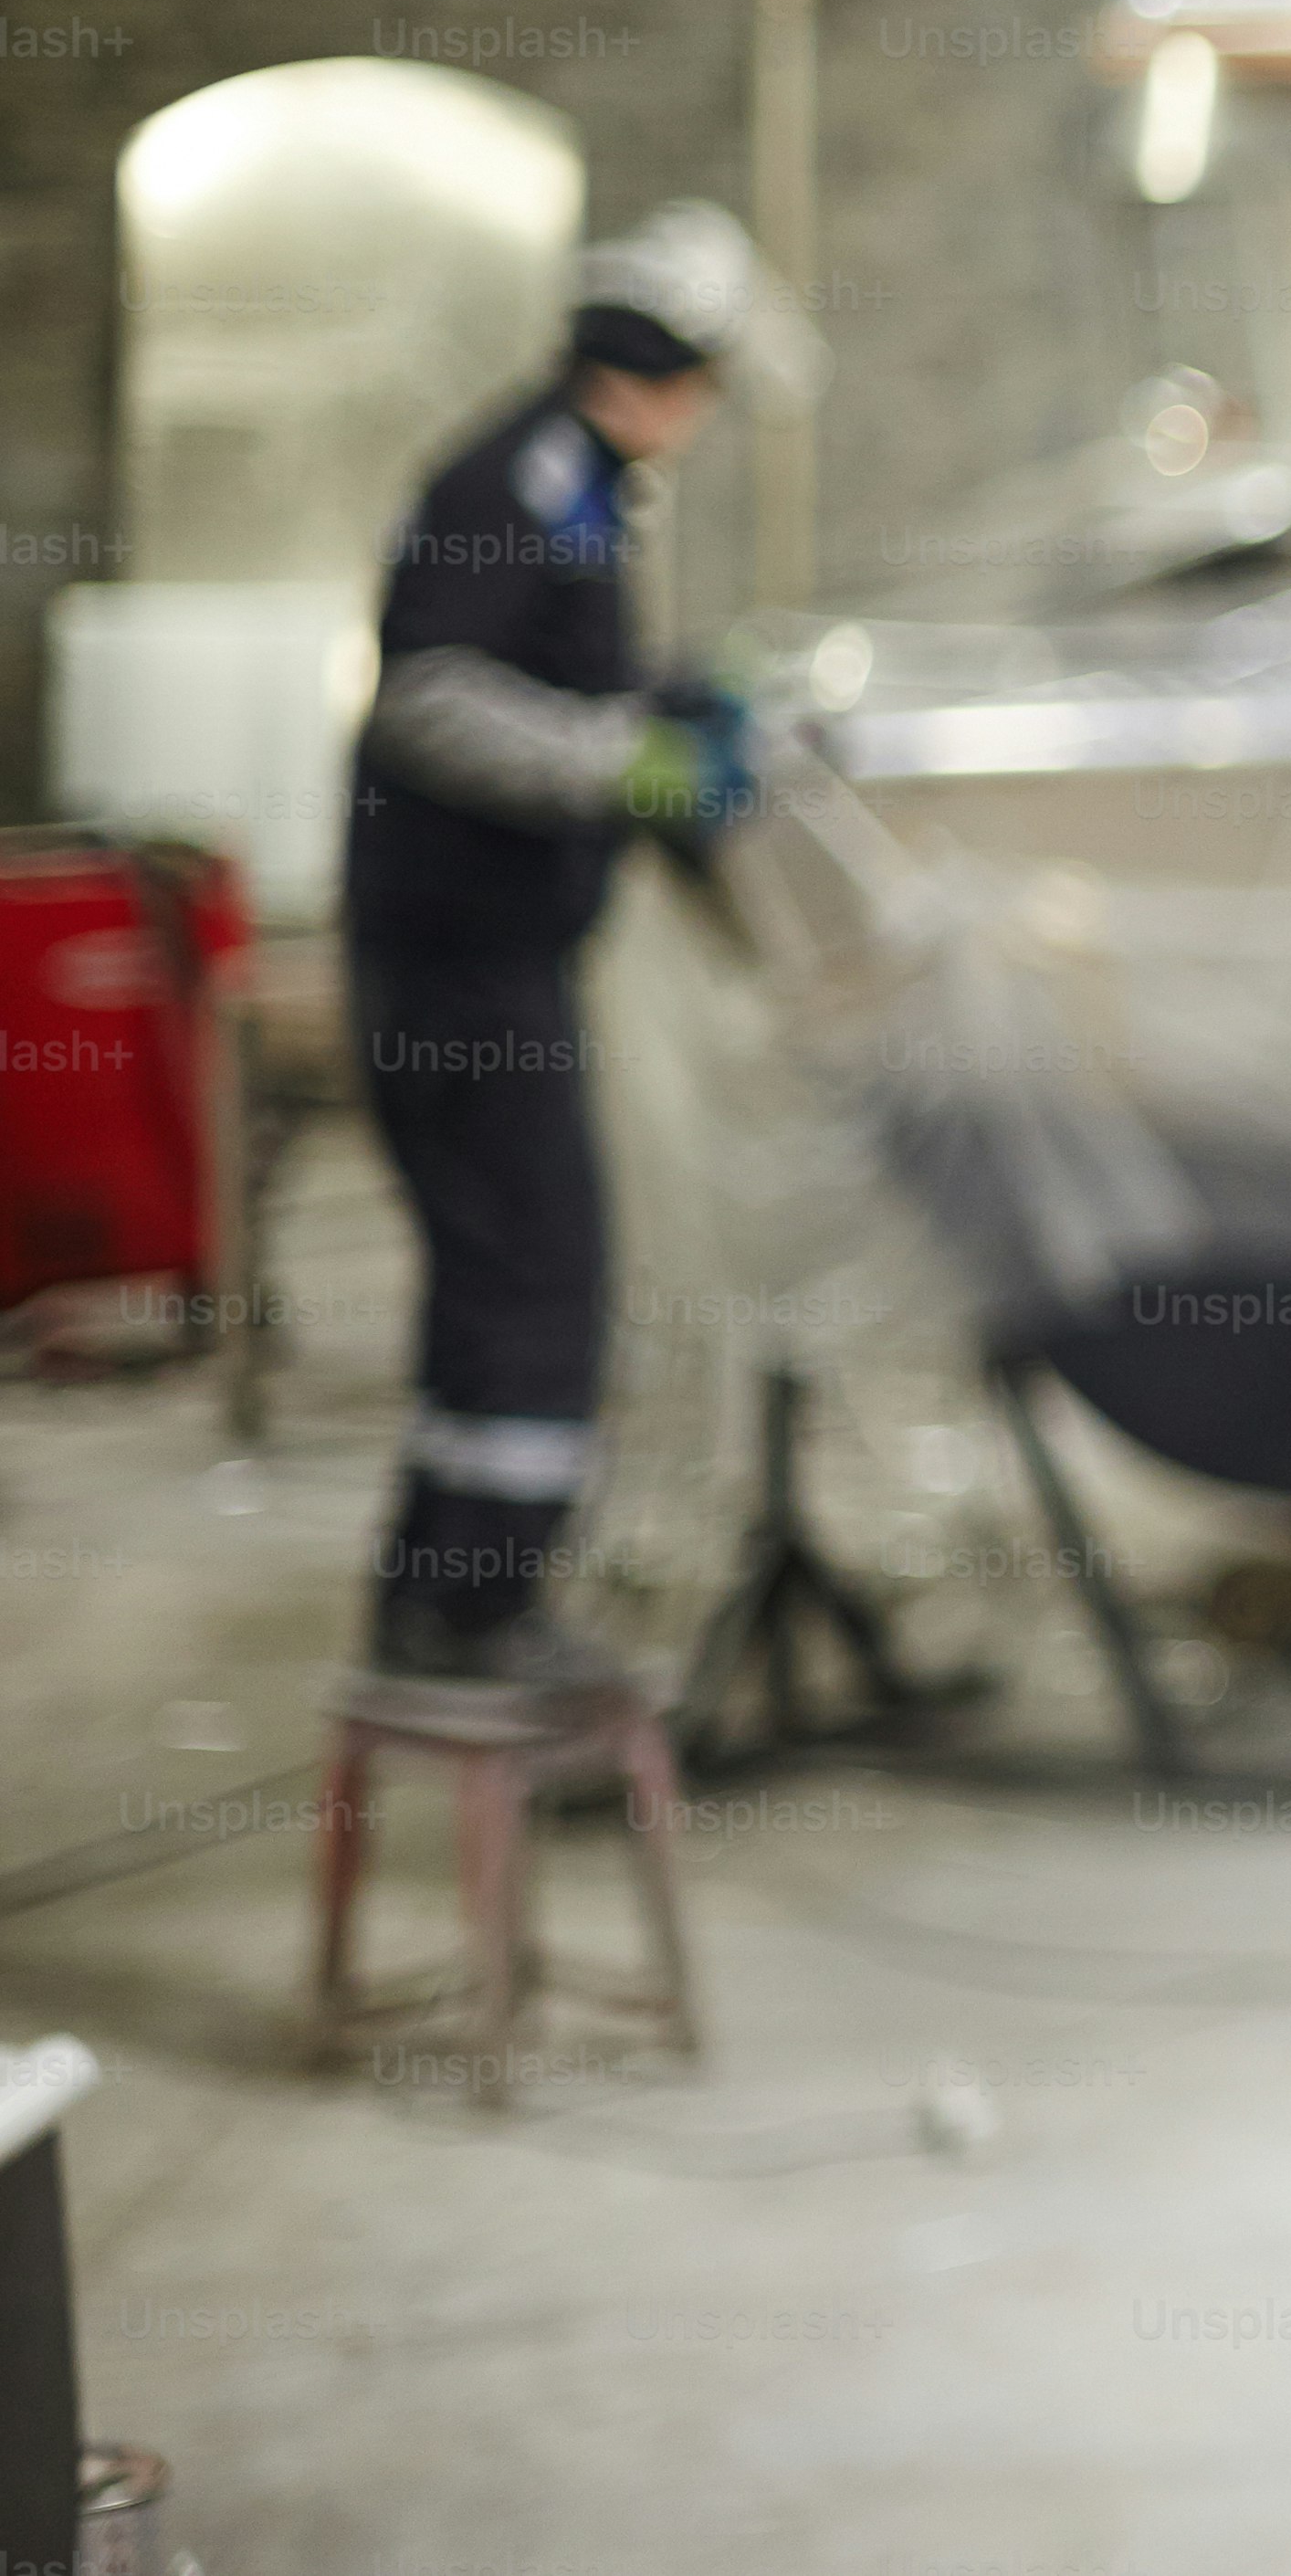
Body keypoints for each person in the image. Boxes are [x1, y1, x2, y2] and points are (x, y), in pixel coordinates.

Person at [345, 203, 762, 1689]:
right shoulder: (516, 478)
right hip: (460, 970)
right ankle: (476, 1621)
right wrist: (628, 762)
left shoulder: (577, 480)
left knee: (494, 1277)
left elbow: (550, 666)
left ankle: (434, 1596)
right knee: (538, 1276)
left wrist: (660, 698)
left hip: (487, 958)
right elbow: (434, 697)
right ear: (662, 373)